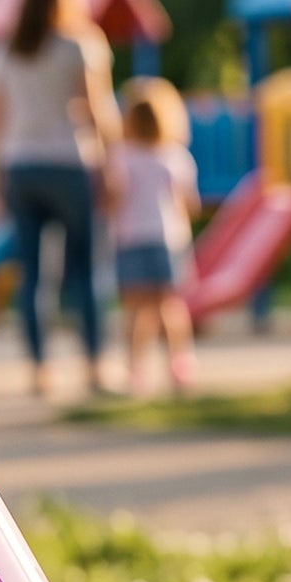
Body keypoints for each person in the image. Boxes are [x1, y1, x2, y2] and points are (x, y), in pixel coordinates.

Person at [0, 0, 121, 396]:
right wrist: (113, 163)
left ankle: (40, 370)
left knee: (34, 273)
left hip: (21, 166)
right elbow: (97, 108)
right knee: (85, 269)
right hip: (70, 164)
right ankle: (95, 364)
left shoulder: (0, 49)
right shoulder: (80, 43)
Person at [109, 78, 200, 394]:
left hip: (131, 238)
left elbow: (114, 198)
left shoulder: (122, 156)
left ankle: (136, 369)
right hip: (169, 238)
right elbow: (190, 203)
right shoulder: (176, 157)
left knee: (136, 309)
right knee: (170, 306)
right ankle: (180, 364)